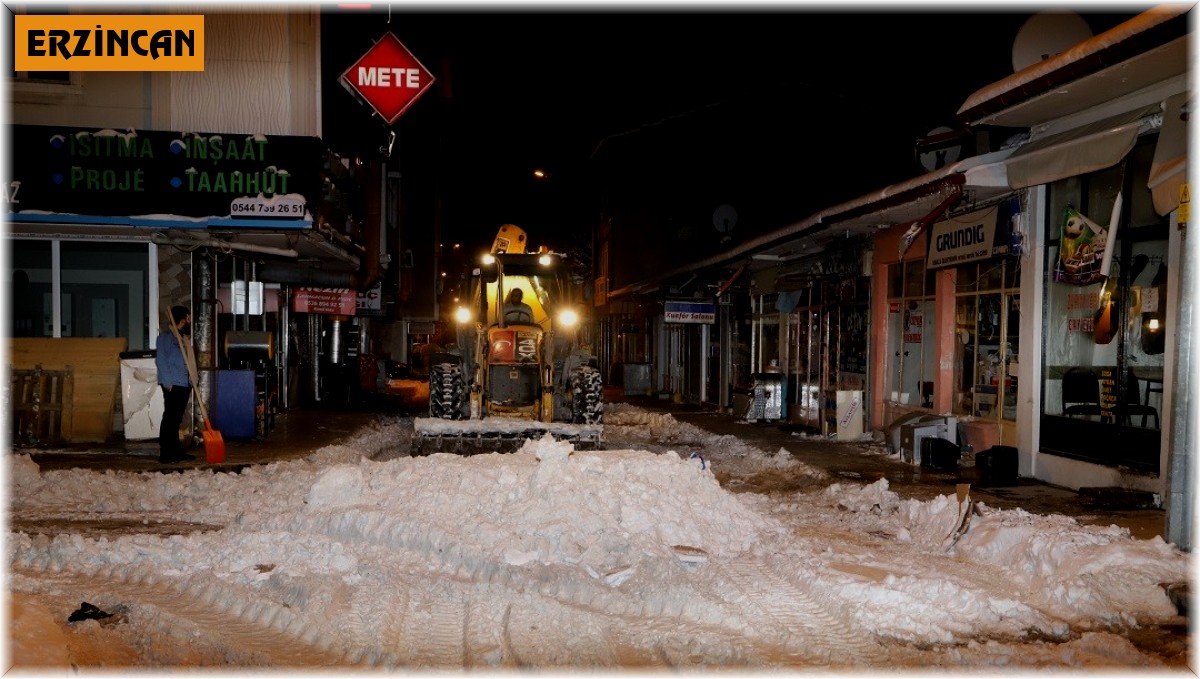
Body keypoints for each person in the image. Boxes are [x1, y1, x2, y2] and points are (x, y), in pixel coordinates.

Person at [156, 306, 196, 463]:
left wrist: (192, 379)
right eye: (188, 318)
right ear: (182, 320)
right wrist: (167, 382)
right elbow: (161, 361)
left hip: (184, 384)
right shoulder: (165, 339)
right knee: (170, 419)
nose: (189, 322)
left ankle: (176, 451)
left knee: (176, 419)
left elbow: (189, 363)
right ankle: (165, 453)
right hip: (173, 383)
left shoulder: (184, 339)